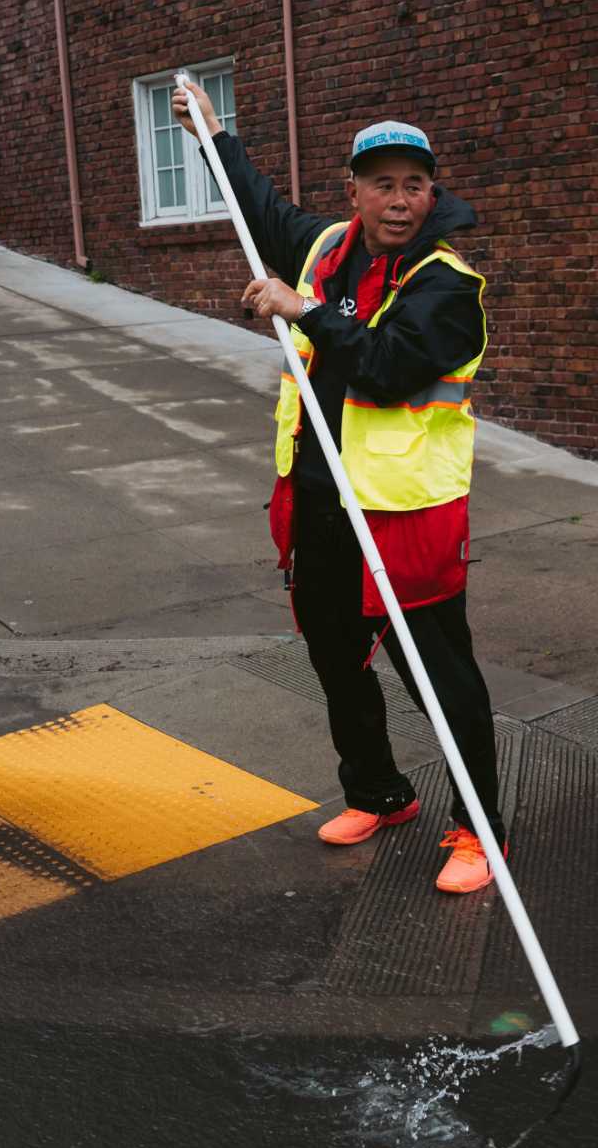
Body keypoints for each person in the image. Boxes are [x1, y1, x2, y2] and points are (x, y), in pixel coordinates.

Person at [172, 83, 503, 894]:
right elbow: (260, 211)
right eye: (382, 183)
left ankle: (480, 832)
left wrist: (305, 311)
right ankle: (379, 793)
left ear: (434, 191)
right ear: (353, 188)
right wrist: (216, 135)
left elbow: (388, 370)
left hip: (404, 516)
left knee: (439, 678)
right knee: (336, 660)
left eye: (413, 184)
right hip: (319, 503)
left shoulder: (448, 284)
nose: (398, 200)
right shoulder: (325, 247)